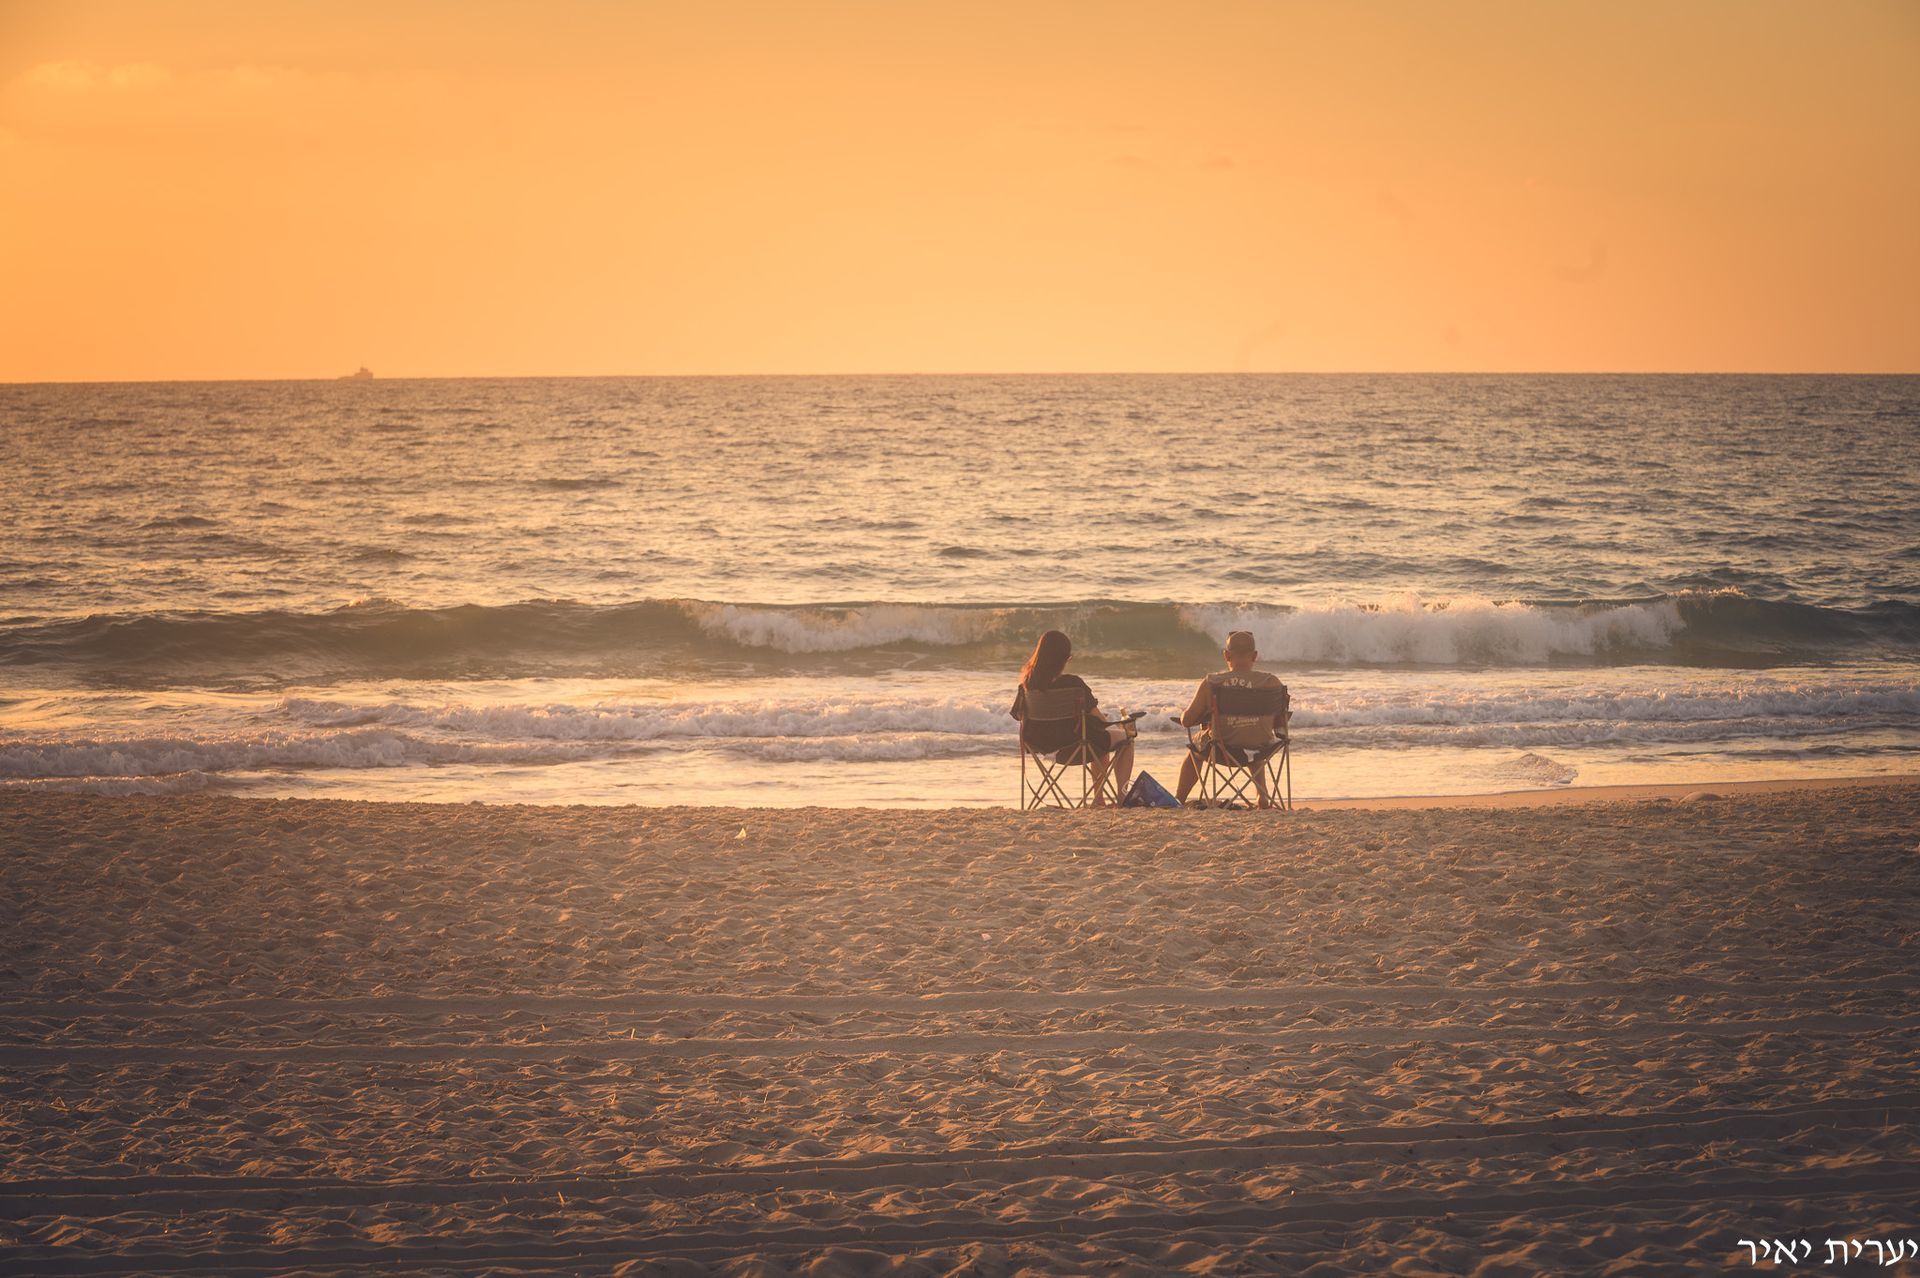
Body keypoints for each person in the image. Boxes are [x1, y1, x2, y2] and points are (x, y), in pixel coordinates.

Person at [1010, 629, 1134, 805]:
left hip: (1042, 746)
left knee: (1098, 740)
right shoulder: (1073, 684)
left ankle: (1099, 801)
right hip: (1076, 746)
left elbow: (1018, 716)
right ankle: (1122, 799)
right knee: (1125, 739)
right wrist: (1119, 725)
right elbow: (1100, 721)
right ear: (1065, 658)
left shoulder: (1026, 686)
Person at [1176, 629, 1290, 808]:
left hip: (1223, 748)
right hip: (1262, 748)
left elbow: (1187, 721)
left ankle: (1178, 800)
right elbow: (1280, 723)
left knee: (1195, 750)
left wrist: (1184, 715)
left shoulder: (1212, 683)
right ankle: (1262, 797)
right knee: (1254, 736)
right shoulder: (1272, 682)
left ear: (1227, 655)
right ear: (1254, 656)